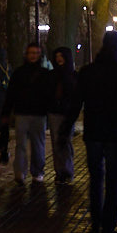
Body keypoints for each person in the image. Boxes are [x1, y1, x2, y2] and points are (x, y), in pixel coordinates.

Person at [63, 30, 117, 233]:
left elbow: (76, 102)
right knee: (113, 183)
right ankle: (109, 230)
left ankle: (94, 226)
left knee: (95, 181)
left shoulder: (88, 71)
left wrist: (66, 128)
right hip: (116, 133)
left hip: (93, 132)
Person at [1, 43, 54, 184]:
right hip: (23, 113)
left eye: (36, 53)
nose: (33, 56)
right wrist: (6, 112)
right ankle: (21, 172)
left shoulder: (43, 74)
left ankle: (35, 172)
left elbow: (49, 95)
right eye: (31, 53)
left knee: (37, 144)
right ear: (26, 54)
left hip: (37, 114)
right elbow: (11, 94)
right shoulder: (20, 73)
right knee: (22, 145)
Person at [47, 46, 78, 184]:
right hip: (55, 111)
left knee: (65, 141)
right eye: (57, 56)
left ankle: (67, 170)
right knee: (56, 142)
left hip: (67, 112)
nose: (59, 59)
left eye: (61, 56)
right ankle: (60, 171)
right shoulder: (53, 74)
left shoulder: (72, 75)